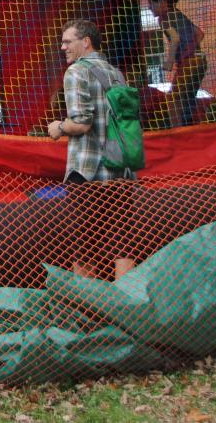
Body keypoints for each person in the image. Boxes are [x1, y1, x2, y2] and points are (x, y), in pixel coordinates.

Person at [46, 19, 136, 280]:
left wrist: (59, 127)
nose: (63, 47)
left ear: (86, 42)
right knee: (122, 243)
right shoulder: (116, 73)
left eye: (67, 41)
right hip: (119, 169)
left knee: (84, 246)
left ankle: (88, 313)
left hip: (87, 172)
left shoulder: (75, 72)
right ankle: (125, 304)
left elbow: (82, 123)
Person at [147, 0, 207, 128]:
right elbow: (199, 33)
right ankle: (190, 126)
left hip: (190, 63)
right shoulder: (178, 14)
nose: (149, 8)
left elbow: (175, 39)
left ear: (162, 2)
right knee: (186, 98)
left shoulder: (164, 18)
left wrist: (170, 61)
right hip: (201, 61)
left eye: (152, 4)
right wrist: (191, 50)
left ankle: (178, 131)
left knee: (173, 100)